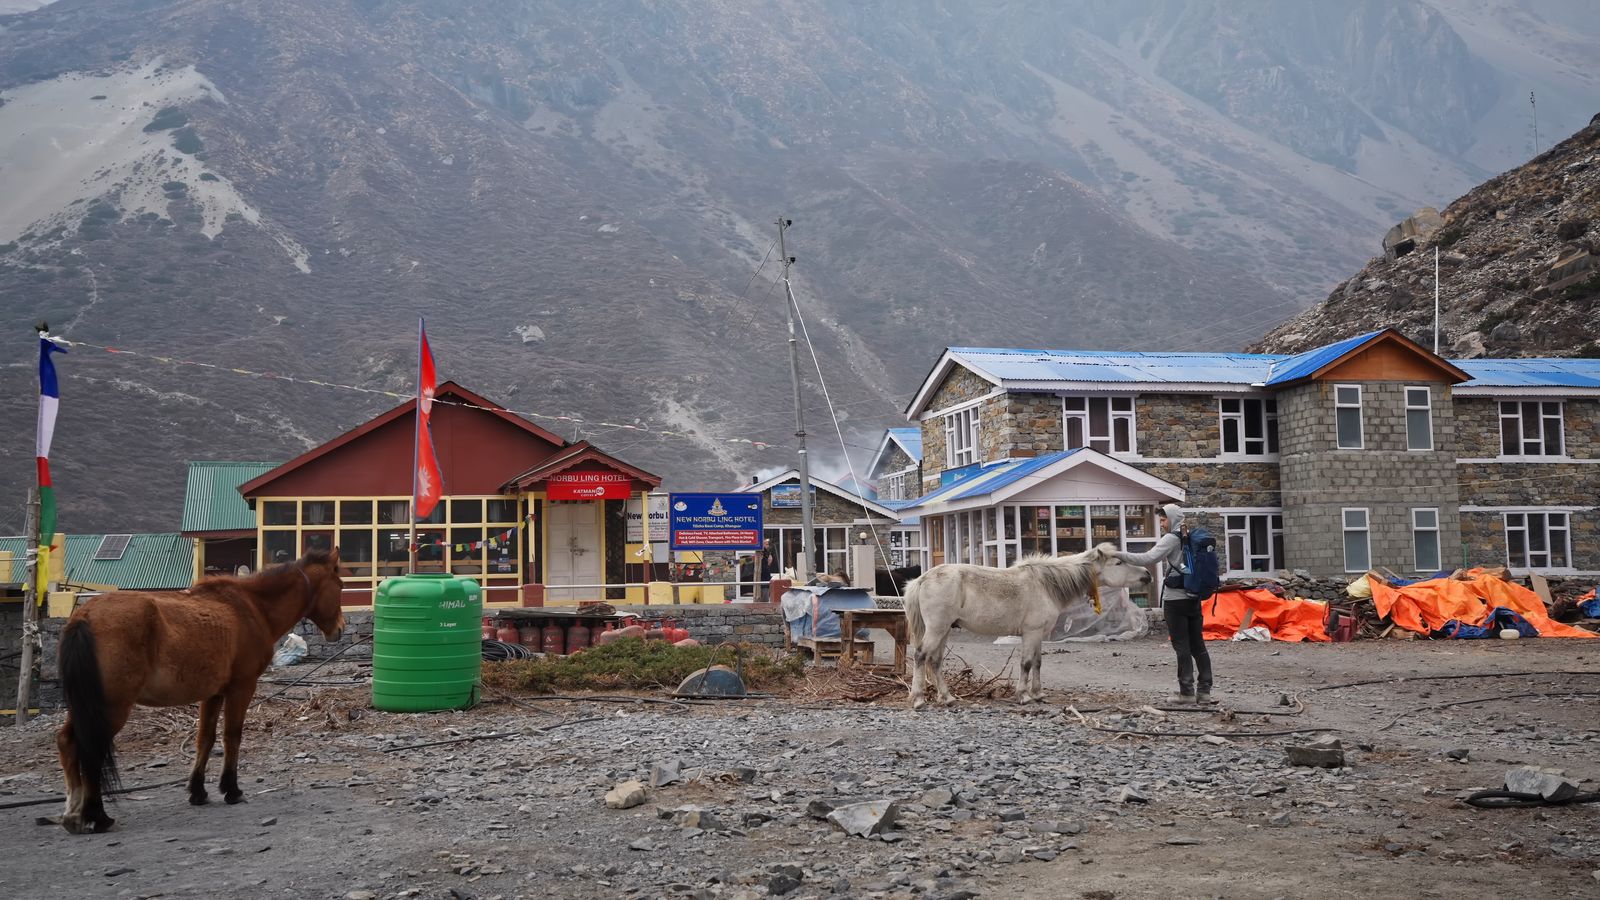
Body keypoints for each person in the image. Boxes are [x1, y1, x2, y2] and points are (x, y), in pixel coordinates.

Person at [1117, 503, 1214, 704]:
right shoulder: (1190, 536)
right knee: (1198, 645)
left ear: (1172, 518)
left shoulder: (1172, 538)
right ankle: (1204, 691)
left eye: (1163, 519)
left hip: (1175, 600)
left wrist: (1119, 555)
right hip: (1193, 597)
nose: (1161, 524)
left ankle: (1186, 693)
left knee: (1182, 646)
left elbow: (1148, 558)